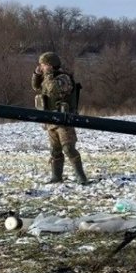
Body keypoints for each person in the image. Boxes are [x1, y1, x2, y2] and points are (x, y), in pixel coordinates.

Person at [31, 52, 89, 185]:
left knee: (68, 148)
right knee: (55, 150)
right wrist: (37, 74)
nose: (41, 67)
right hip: (51, 120)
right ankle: (56, 177)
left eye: (43, 65)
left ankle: (81, 177)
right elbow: (35, 87)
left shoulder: (63, 78)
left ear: (51, 65)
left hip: (64, 120)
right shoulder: (47, 78)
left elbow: (53, 90)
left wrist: (48, 74)